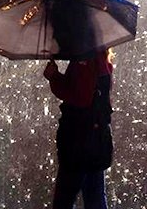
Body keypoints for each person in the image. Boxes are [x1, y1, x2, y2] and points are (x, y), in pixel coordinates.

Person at [44, 49, 114, 209]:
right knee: (94, 196)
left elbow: (80, 97)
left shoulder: (86, 58)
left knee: (64, 200)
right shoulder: (101, 56)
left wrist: (54, 76)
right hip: (95, 140)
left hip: (78, 141)